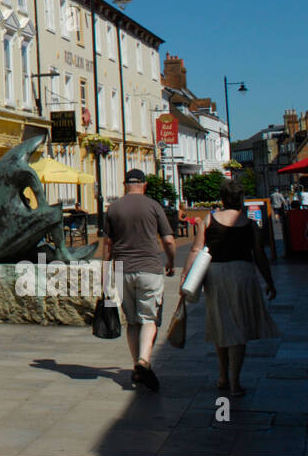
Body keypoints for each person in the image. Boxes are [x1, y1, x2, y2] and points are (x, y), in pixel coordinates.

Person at [183, 178, 279, 397]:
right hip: (243, 274)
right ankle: (235, 381)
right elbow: (260, 255)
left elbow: (196, 250)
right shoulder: (249, 223)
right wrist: (270, 282)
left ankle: (222, 375)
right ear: (241, 199)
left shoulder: (208, 220)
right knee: (239, 329)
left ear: (223, 199)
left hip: (215, 274)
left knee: (221, 325)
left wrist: (184, 276)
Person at [101, 169, 176, 391]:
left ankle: (137, 367)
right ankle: (144, 360)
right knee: (149, 318)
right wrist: (170, 261)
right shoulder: (153, 206)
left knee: (132, 321)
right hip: (149, 268)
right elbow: (169, 240)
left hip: (122, 269)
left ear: (125, 185)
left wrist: (106, 273)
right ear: (143, 184)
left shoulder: (113, 208)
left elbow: (107, 245)